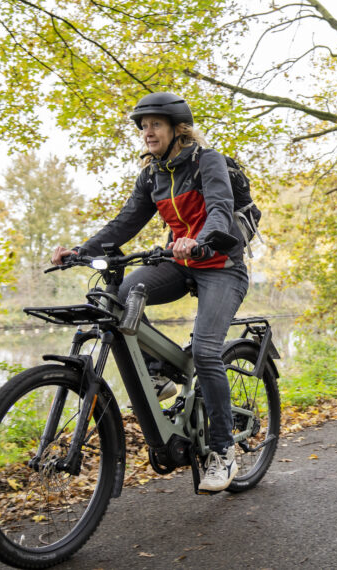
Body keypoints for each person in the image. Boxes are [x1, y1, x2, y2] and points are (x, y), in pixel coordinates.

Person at [50, 91, 247, 493]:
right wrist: (80, 251)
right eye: (143, 126)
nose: (147, 132)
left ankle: (224, 452)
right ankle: (159, 373)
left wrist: (200, 239)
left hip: (220, 266)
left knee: (207, 350)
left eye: (155, 124)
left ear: (178, 129)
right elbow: (125, 222)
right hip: (180, 264)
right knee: (123, 291)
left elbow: (221, 210)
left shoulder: (206, 161)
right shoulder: (152, 175)